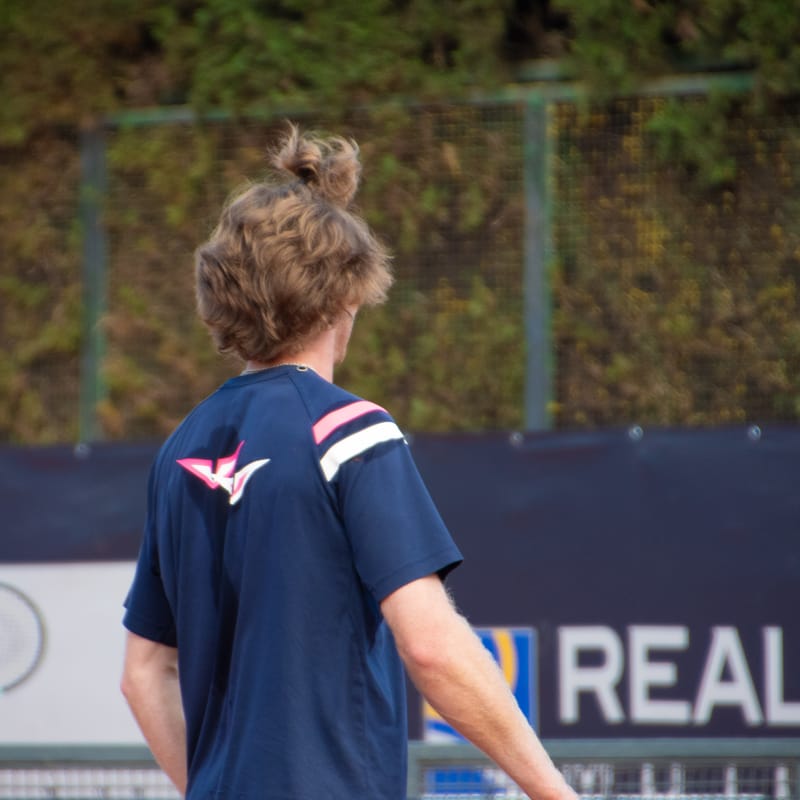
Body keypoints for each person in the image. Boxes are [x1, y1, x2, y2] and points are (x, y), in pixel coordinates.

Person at [121, 123, 577, 800]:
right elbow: (432, 646)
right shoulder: (348, 431)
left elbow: (144, 673)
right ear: (346, 296)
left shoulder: (180, 447)